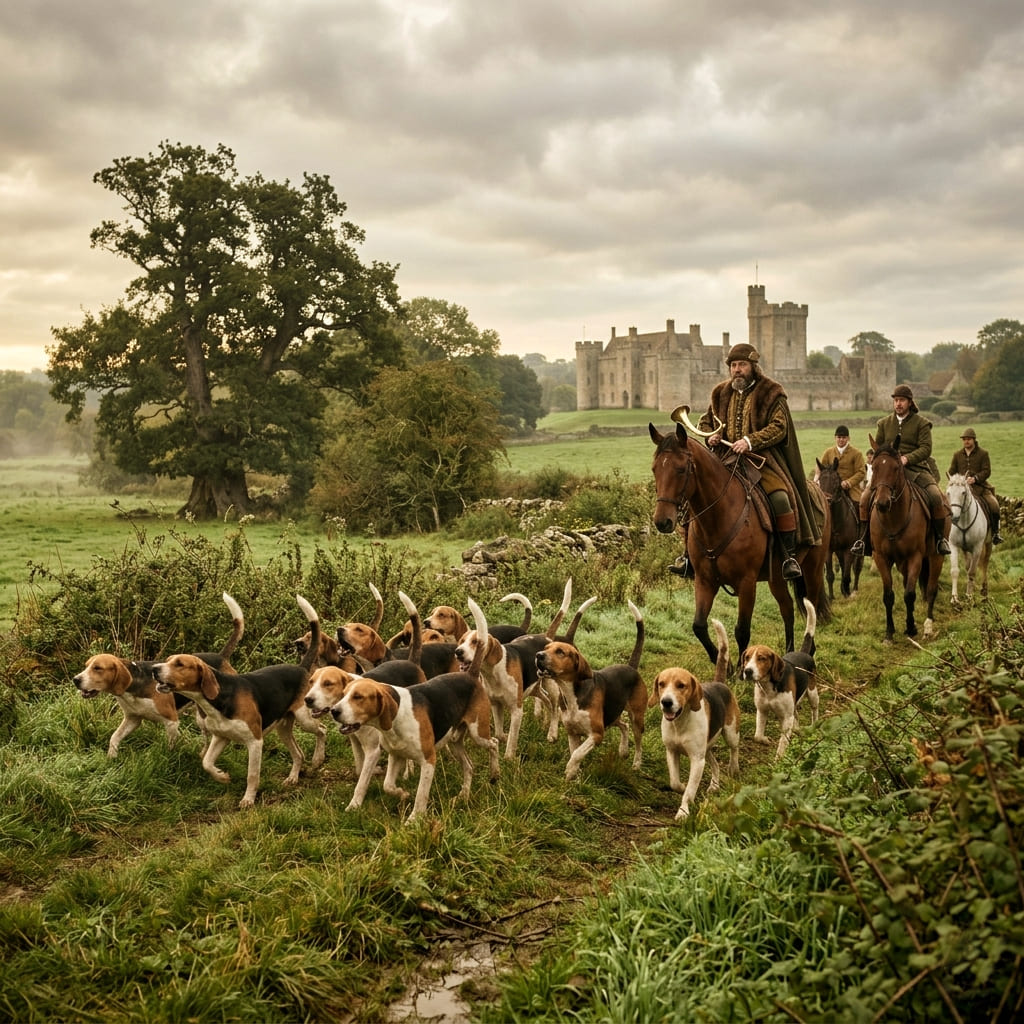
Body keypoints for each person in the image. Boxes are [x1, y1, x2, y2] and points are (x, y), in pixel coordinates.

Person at [672, 342, 820, 581]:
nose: (737, 370)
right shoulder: (721, 392)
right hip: (725, 460)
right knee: (695, 497)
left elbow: (779, 427)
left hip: (762, 460)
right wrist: (711, 435)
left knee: (781, 498)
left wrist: (749, 441)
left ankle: (788, 556)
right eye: (733, 365)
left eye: (742, 365)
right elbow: (706, 421)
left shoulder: (771, 392)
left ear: (753, 366)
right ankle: (688, 557)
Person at [852, 385, 951, 556]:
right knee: (864, 498)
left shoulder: (922, 423)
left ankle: (940, 539)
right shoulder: (883, 423)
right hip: (888, 472)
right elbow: (879, 448)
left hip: (915, 469)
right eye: (896, 400)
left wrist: (907, 458)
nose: (898, 404)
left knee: (935, 495)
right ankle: (864, 540)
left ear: (910, 402)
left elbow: (926, 448)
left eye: (902, 400)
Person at [948, 427, 1004, 544]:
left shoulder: (983, 454)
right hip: (961, 489)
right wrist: (955, 479)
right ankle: (945, 535)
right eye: (964, 439)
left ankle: (995, 534)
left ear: (974, 440)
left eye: (968, 439)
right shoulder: (957, 455)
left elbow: (986, 471)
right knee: (947, 505)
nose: (966, 441)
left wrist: (975, 479)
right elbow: (952, 471)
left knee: (994, 506)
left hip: (980, 488)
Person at [814, 425, 867, 502]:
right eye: (839, 437)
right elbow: (820, 468)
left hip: (851, 490)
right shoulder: (828, 452)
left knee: (859, 506)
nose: (841, 440)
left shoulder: (857, 453)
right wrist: (816, 480)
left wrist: (848, 482)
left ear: (848, 438)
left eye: (844, 437)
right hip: (831, 489)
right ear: (835, 438)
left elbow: (861, 472)